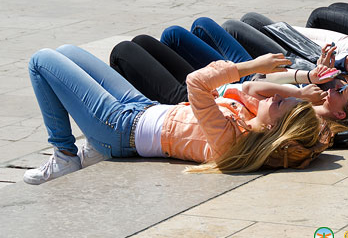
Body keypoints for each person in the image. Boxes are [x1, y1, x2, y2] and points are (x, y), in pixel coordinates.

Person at [24, 45, 321, 184]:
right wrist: (298, 92)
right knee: (67, 51)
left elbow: (196, 83)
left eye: (280, 103)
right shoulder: (252, 121)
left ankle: (64, 154)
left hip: (119, 129)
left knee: (41, 60)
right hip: (142, 108)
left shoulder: (233, 140)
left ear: (273, 129)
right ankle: (86, 150)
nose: (278, 96)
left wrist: (251, 65)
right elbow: (248, 92)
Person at [110, 35, 348, 134]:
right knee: (147, 41)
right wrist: (311, 77)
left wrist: (301, 89)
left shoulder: (305, 114)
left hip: (201, 102)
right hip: (221, 89)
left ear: (340, 114)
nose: (335, 87)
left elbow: (254, 87)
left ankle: (132, 109)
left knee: (124, 52)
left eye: (340, 91)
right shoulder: (314, 102)